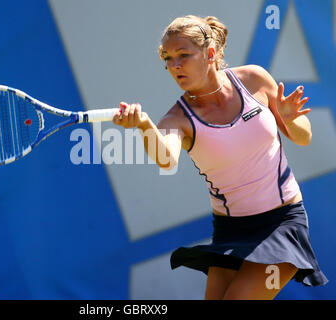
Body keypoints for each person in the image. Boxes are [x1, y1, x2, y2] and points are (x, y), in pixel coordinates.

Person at [112, 15, 328, 300]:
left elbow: (304, 137)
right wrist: (143, 126)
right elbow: (166, 159)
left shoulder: (254, 79)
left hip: (283, 224)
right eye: (168, 58)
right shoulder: (176, 119)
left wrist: (289, 120)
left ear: (210, 54)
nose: (175, 65)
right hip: (230, 232)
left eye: (183, 55)